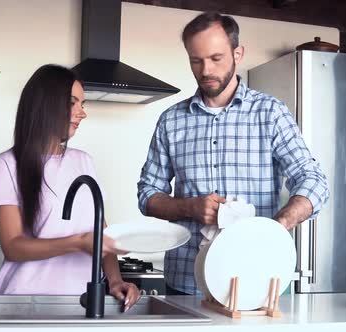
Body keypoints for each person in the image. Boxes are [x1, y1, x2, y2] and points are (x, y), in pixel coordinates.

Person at [137, 12, 330, 295]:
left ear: (237, 53)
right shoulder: (171, 120)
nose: (205, 70)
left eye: (216, 58)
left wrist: (279, 225)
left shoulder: (270, 112)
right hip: (187, 283)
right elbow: (147, 195)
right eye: (196, 60)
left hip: (258, 279)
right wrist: (189, 207)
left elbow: (313, 180)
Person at [0, 64, 140, 309]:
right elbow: (13, 246)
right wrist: (77, 242)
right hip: (23, 302)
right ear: (45, 104)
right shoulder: (8, 164)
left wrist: (115, 280)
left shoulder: (83, 162)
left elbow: (102, 234)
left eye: (83, 104)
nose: (82, 113)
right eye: (72, 102)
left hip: (80, 304)